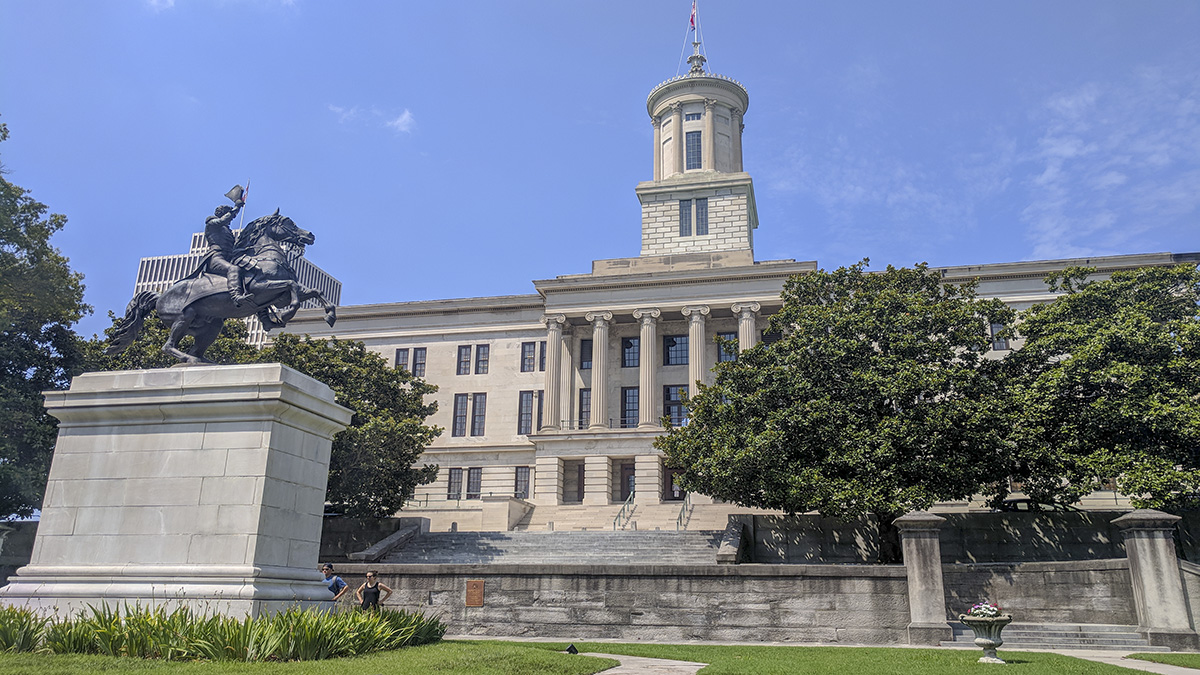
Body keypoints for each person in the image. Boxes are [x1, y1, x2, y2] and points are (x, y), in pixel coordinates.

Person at [201, 189, 254, 306]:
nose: (230, 219)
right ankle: (236, 297)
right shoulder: (212, 224)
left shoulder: (227, 231)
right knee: (233, 269)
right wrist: (236, 208)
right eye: (228, 214)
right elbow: (223, 220)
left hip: (229, 257)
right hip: (216, 257)